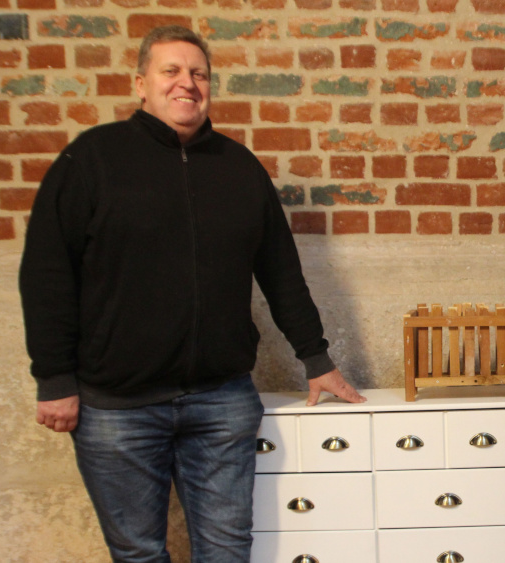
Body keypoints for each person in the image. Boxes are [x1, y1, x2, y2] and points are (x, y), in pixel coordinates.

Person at [19, 25, 365, 562]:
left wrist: (316, 358)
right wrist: (54, 378)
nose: (187, 83)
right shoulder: (91, 160)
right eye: (171, 71)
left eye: (198, 73)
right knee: (138, 554)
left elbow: (280, 271)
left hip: (221, 400)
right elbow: (46, 274)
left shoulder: (239, 168)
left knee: (227, 551)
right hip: (116, 408)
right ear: (141, 83)